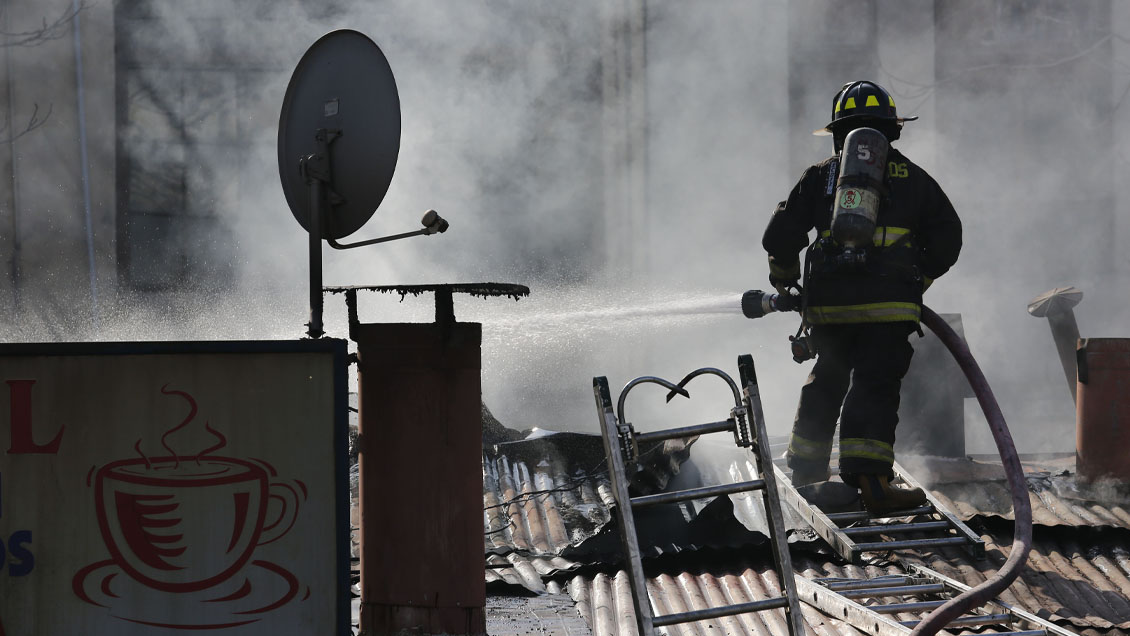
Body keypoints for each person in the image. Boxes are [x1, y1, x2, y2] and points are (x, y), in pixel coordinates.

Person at [761, 80, 962, 515]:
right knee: (874, 383)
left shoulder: (820, 177)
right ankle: (871, 483)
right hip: (889, 308)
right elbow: (949, 237)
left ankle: (807, 472)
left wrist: (785, 280)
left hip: (829, 307)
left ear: (837, 133)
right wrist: (917, 280)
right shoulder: (914, 179)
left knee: (826, 379)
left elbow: (780, 235)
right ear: (892, 132)